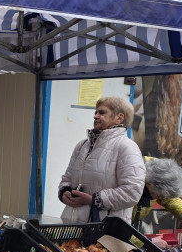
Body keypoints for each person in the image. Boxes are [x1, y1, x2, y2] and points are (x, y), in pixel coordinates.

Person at [58, 96, 145, 224]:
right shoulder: (82, 145)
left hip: (105, 230)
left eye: (102, 112)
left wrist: (94, 200)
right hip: (72, 226)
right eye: (96, 112)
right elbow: (67, 178)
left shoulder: (127, 147)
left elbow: (132, 192)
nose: (96, 116)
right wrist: (65, 192)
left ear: (119, 118)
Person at [133, 157, 182, 237]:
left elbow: (169, 198)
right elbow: (121, 229)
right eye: (160, 196)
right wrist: (150, 241)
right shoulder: (131, 183)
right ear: (149, 184)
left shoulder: (160, 169)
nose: (163, 199)